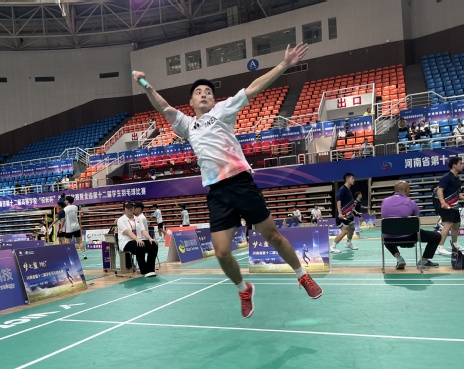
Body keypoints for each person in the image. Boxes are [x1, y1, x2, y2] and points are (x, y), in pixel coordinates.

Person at [133, 42, 322, 318]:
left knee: (272, 235)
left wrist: (284, 64)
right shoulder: (187, 125)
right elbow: (163, 107)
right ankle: (244, 289)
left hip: (240, 182)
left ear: (214, 99)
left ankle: (302, 275)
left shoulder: (223, 110)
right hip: (217, 192)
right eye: (198, 92)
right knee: (221, 252)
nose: (204, 94)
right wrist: (145, 85)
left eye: (208, 92)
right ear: (191, 102)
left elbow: (254, 88)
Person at [381, 181, 441, 269]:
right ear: (406, 189)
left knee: (386, 235)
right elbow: (417, 223)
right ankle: (424, 261)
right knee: (436, 236)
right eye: (409, 189)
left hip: (389, 238)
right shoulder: (411, 202)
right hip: (410, 237)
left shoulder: (384, 201)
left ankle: (399, 258)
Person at [117, 201, 158, 277]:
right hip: (126, 242)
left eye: (131, 207)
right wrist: (136, 238)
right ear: (124, 209)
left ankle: (151, 269)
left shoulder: (138, 219)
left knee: (153, 245)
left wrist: (150, 238)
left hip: (137, 240)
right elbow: (128, 232)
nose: (130, 209)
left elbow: (143, 230)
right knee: (139, 245)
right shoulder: (121, 220)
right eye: (128, 208)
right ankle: (144, 270)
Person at [435, 156, 464, 255]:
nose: (462, 165)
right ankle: (439, 247)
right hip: (446, 206)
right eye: (460, 163)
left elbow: (458, 194)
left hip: (454, 207)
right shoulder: (446, 177)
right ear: (454, 165)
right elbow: (440, 190)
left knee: (456, 225)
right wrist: (443, 202)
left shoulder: (458, 180)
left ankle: (454, 244)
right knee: (447, 226)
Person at [330, 173, 359, 253]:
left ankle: (348, 243)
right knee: (345, 231)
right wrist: (340, 213)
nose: (354, 180)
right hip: (342, 214)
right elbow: (338, 200)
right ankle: (332, 247)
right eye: (352, 178)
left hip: (348, 214)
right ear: (347, 179)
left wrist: (353, 211)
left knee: (352, 227)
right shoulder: (342, 189)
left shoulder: (348, 190)